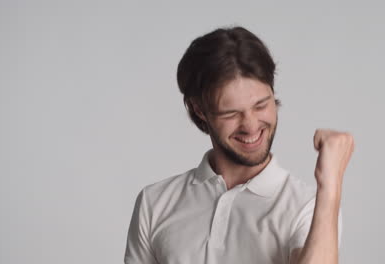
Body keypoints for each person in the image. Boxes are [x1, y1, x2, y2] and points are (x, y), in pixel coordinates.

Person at [124, 26, 354, 264]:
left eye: (261, 105)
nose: (251, 125)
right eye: (232, 113)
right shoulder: (155, 203)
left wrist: (330, 185)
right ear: (199, 110)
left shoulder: (307, 207)